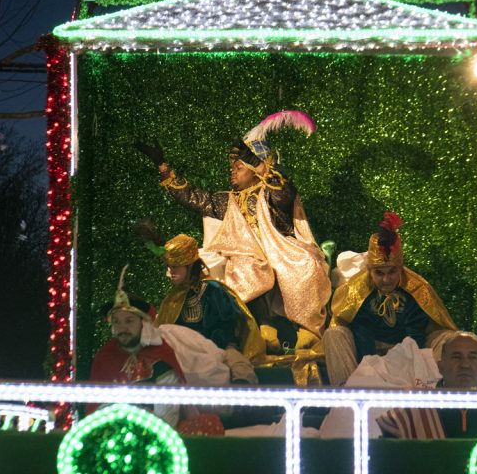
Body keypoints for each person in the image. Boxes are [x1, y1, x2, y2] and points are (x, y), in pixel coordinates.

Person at [136, 111, 331, 354]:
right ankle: (265, 329)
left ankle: (308, 331)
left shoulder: (271, 192)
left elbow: (285, 191)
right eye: (233, 167)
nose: (233, 171)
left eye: (240, 167)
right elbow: (193, 197)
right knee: (250, 267)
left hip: (284, 251)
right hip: (247, 257)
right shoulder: (225, 201)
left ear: (256, 169)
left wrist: (259, 163)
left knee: (305, 265)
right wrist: (162, 166)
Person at [323, 211, 457, 387]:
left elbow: (414, 339)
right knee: (333, 334)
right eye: (379, 273)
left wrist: (401, 372)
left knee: (449, 338)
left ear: (400, 268)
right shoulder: (357, 291)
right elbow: (363, 333)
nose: (386, 280)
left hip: (409, 351)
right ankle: (351, 398)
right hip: (367, 352)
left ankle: (422, 399)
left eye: (392, 272)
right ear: (369, 271)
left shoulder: (416, 290)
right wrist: (371, 375)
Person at [155, 233, 264, 384]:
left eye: (175, 267)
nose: (171, 272)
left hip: (220, 347)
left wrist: (209, 347)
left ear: (190, 266)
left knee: (239, 366)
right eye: (169, 267)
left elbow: (229, 324)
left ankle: (243, 403)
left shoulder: (213, 289)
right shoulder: (174, 297)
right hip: (186, 352)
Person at [376, 331, 477, 439]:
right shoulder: (409, 416)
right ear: (440, 366)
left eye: (473, 357)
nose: (465, 365)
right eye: (456, 356)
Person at [89, 281, 185, 427]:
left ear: (143, 323)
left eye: (129, 321)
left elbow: (167, 415)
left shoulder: (160, 356)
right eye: (116, 322)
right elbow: (97, 410)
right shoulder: (105, 357)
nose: (122, 328)